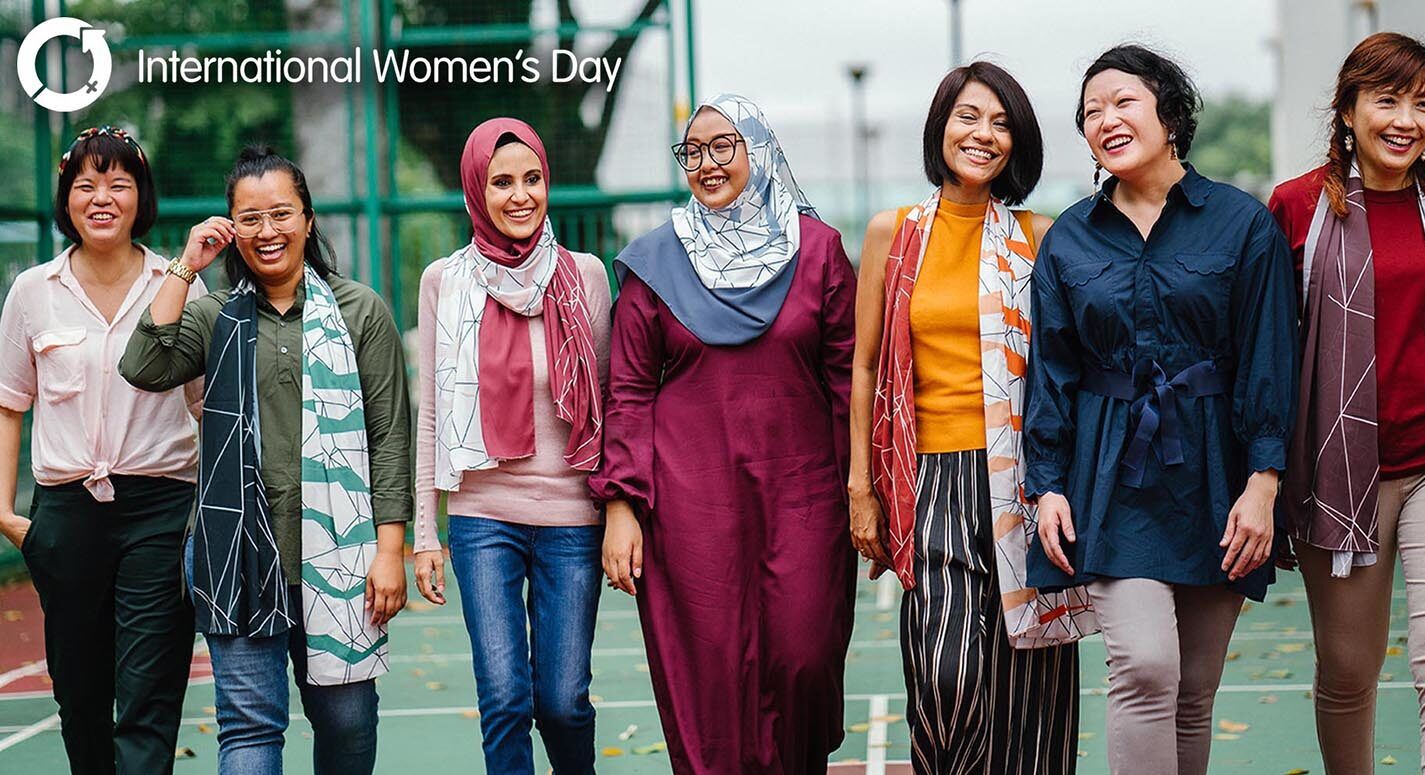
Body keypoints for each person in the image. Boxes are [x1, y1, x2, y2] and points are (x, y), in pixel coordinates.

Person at [1023, 45, 1297, 775]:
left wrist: (1263, 482)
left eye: (1123, 102)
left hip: (1218, 476)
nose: (1105, 119)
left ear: (1169, 113)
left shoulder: (1243, 224)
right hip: (1111, 475)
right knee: (1144, 669)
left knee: (1195, 691)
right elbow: (1052, 370)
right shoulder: (1069, 241)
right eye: (1090, 112)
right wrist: (1045, 482)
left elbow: (1269, 358)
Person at [120, 145, 411, 775]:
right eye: (248, 219)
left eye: (281, 214)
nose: (267, 231)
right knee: (249, 729)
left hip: (341, 557)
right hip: (235, 553)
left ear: (308, 220)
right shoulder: (213, 316)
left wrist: (390, 551)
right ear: (230, 230)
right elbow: (142, 366)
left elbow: (390, 437)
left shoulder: (360, 312)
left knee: (348, 722)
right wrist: (185, 266)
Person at [591, 93, 856, 773]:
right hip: (691, 506)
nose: (706, 163)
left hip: (805, 498)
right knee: (710, 677)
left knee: (803, 657)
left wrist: (867, 492)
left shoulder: (818, 252)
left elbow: (849, 382)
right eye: (693, 151)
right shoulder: (654, 264)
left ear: (760, 150)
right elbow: (628, 390)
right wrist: (622, 504)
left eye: (723, 145)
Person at [849, 62, 1089, 775]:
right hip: (929, 482)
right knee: (945, 675)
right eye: (969, 117)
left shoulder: (1038, 238)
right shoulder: (893, 233)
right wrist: (862, 487)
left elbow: (1064, 365)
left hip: (1023, 479)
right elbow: (863, 366)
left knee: (1030, 679)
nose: (983, 135)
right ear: (941, 127)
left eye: (1001, 123)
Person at [1269, 32, 1425, 775]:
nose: (1406, 119)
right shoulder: (1297, 206)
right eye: (1388, 99)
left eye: (1423, 103)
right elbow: (1272, 349)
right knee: (1347, 672)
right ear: (1349, 108)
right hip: (1338, 472)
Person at [409, 118, 611, 774]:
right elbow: (432, 412)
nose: (519, 194)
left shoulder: (585, 276)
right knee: (503, 697)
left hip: (572, 521)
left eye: (532, 178)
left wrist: (621, 517)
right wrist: (424, 533)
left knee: (563, 701)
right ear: (477, 189)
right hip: (482, 519)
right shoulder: (445, 282)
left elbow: (612, 411)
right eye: (501, 182)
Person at [0, 126, 201, 775]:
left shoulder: (179, 288)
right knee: (81, 697)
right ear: (67, 199)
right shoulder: (33, 291)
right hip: (65, 516)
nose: (102, 196)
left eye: (119, 182)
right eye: (86, 184)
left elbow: (209, 408)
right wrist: (6, 515)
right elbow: (9, 404)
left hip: (161, 514)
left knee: (149, 695)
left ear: (142, 195)